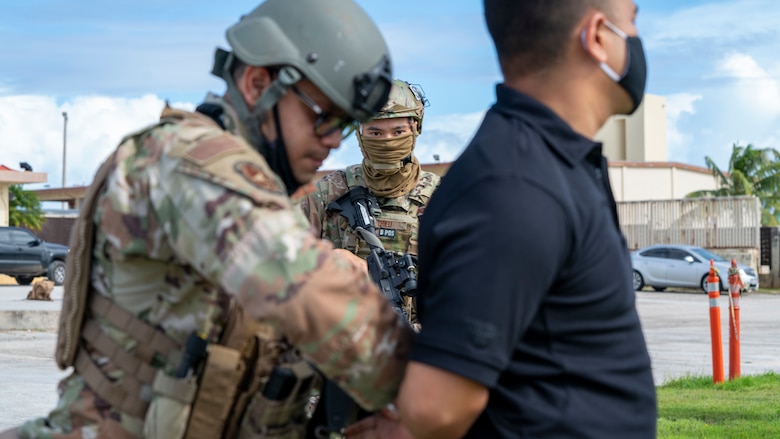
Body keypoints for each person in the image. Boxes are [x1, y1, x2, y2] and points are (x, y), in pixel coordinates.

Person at [0, 1, 414, 438]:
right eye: (324, 117)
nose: (333, 141)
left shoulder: (256, 185)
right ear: (258, 83)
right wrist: (440, 395)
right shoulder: (188, 161)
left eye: (345, 126)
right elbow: (315, 298)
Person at [348, 0, 657, 438]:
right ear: (598, 36)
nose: (639, 39)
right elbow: (436, 407)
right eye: (633, 20)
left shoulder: (553, 165)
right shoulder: (514, 186)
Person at [296, 78, 440, 327]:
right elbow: (277, 263)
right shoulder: (327, 193)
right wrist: (327, 260)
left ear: (415, 128)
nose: (386, 140)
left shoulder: (442, 198)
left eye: (398, 132)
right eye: (375, 132)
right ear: (360, 133)